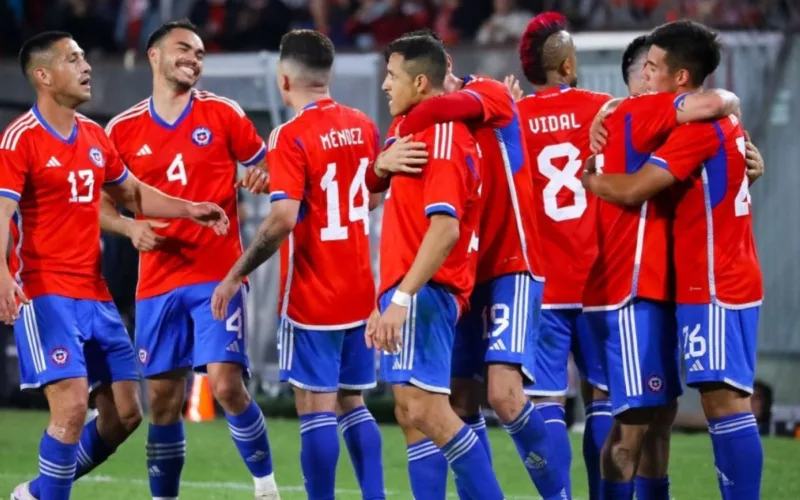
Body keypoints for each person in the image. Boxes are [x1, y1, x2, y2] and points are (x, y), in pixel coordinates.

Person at [4, 31, 228, 500]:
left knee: (125, 414)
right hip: (44, 292)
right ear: (43, 76)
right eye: (73, 59)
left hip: (94, 293)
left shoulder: (92, 136)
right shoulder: (19, 139)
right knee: (68, 409)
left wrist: (190, 208)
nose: (86, 66)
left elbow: (131, 195)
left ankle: (39, 493)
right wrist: (2, 276)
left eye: (85, 57)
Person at [380, 29, 567, 500]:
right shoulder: (418, 120)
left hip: (511, 260)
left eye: (393, 77)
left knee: (503, 394)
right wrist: (381, 162)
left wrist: (403, 126)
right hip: (461, 269)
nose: (386, 86)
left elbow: (443, 107)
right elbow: (375, 181)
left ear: (433, 71)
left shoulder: (486, 93)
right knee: (451, 401)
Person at [582, 20, 765, 500]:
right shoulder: (708, 121)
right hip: (696, 281)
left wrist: (593, 181)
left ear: (680, 78)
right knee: (658, 416)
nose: (646, 76)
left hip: (712, 280)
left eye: (654, 66)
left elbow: (638, 188)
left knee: (722, 404)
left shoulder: (696, 125)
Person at [100, 20, 279, 500]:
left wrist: (262, 176)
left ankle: (267, 488)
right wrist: (127, 226)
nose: (194, 59)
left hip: (217, 274)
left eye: (200, 53)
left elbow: (267, 165)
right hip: (157, 282)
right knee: (161, 401)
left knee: (224, 385)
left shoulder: (223, 114)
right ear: (154, 56)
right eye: (184, 49)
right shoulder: (122, 129)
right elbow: (100, 202)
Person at [210, 29, 385, 500]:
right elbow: (370, 193)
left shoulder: (289, 134)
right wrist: (300, 193)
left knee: (316, 408)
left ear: (284, 80)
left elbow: (283, 221)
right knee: (354, 402)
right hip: (358, 287)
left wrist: (235, 272)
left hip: (313, 293)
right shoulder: (363, 124)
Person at [365, 34, 504, 500]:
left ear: (421, 82)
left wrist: (402, 298)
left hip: (426, 291)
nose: (385, 85)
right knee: (410, 414)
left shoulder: (443, 134)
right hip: (409, 288)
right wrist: (383, 298)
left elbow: (444, 228)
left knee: (428, 411)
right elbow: (393, 211)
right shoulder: (410, 130)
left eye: (392, 76)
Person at [514, 12, 613, 498]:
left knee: (547, 400)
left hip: (543, 283)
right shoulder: (605, 108)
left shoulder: (514, 118)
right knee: (605, 399)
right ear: (569, 64)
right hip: (601, 279)